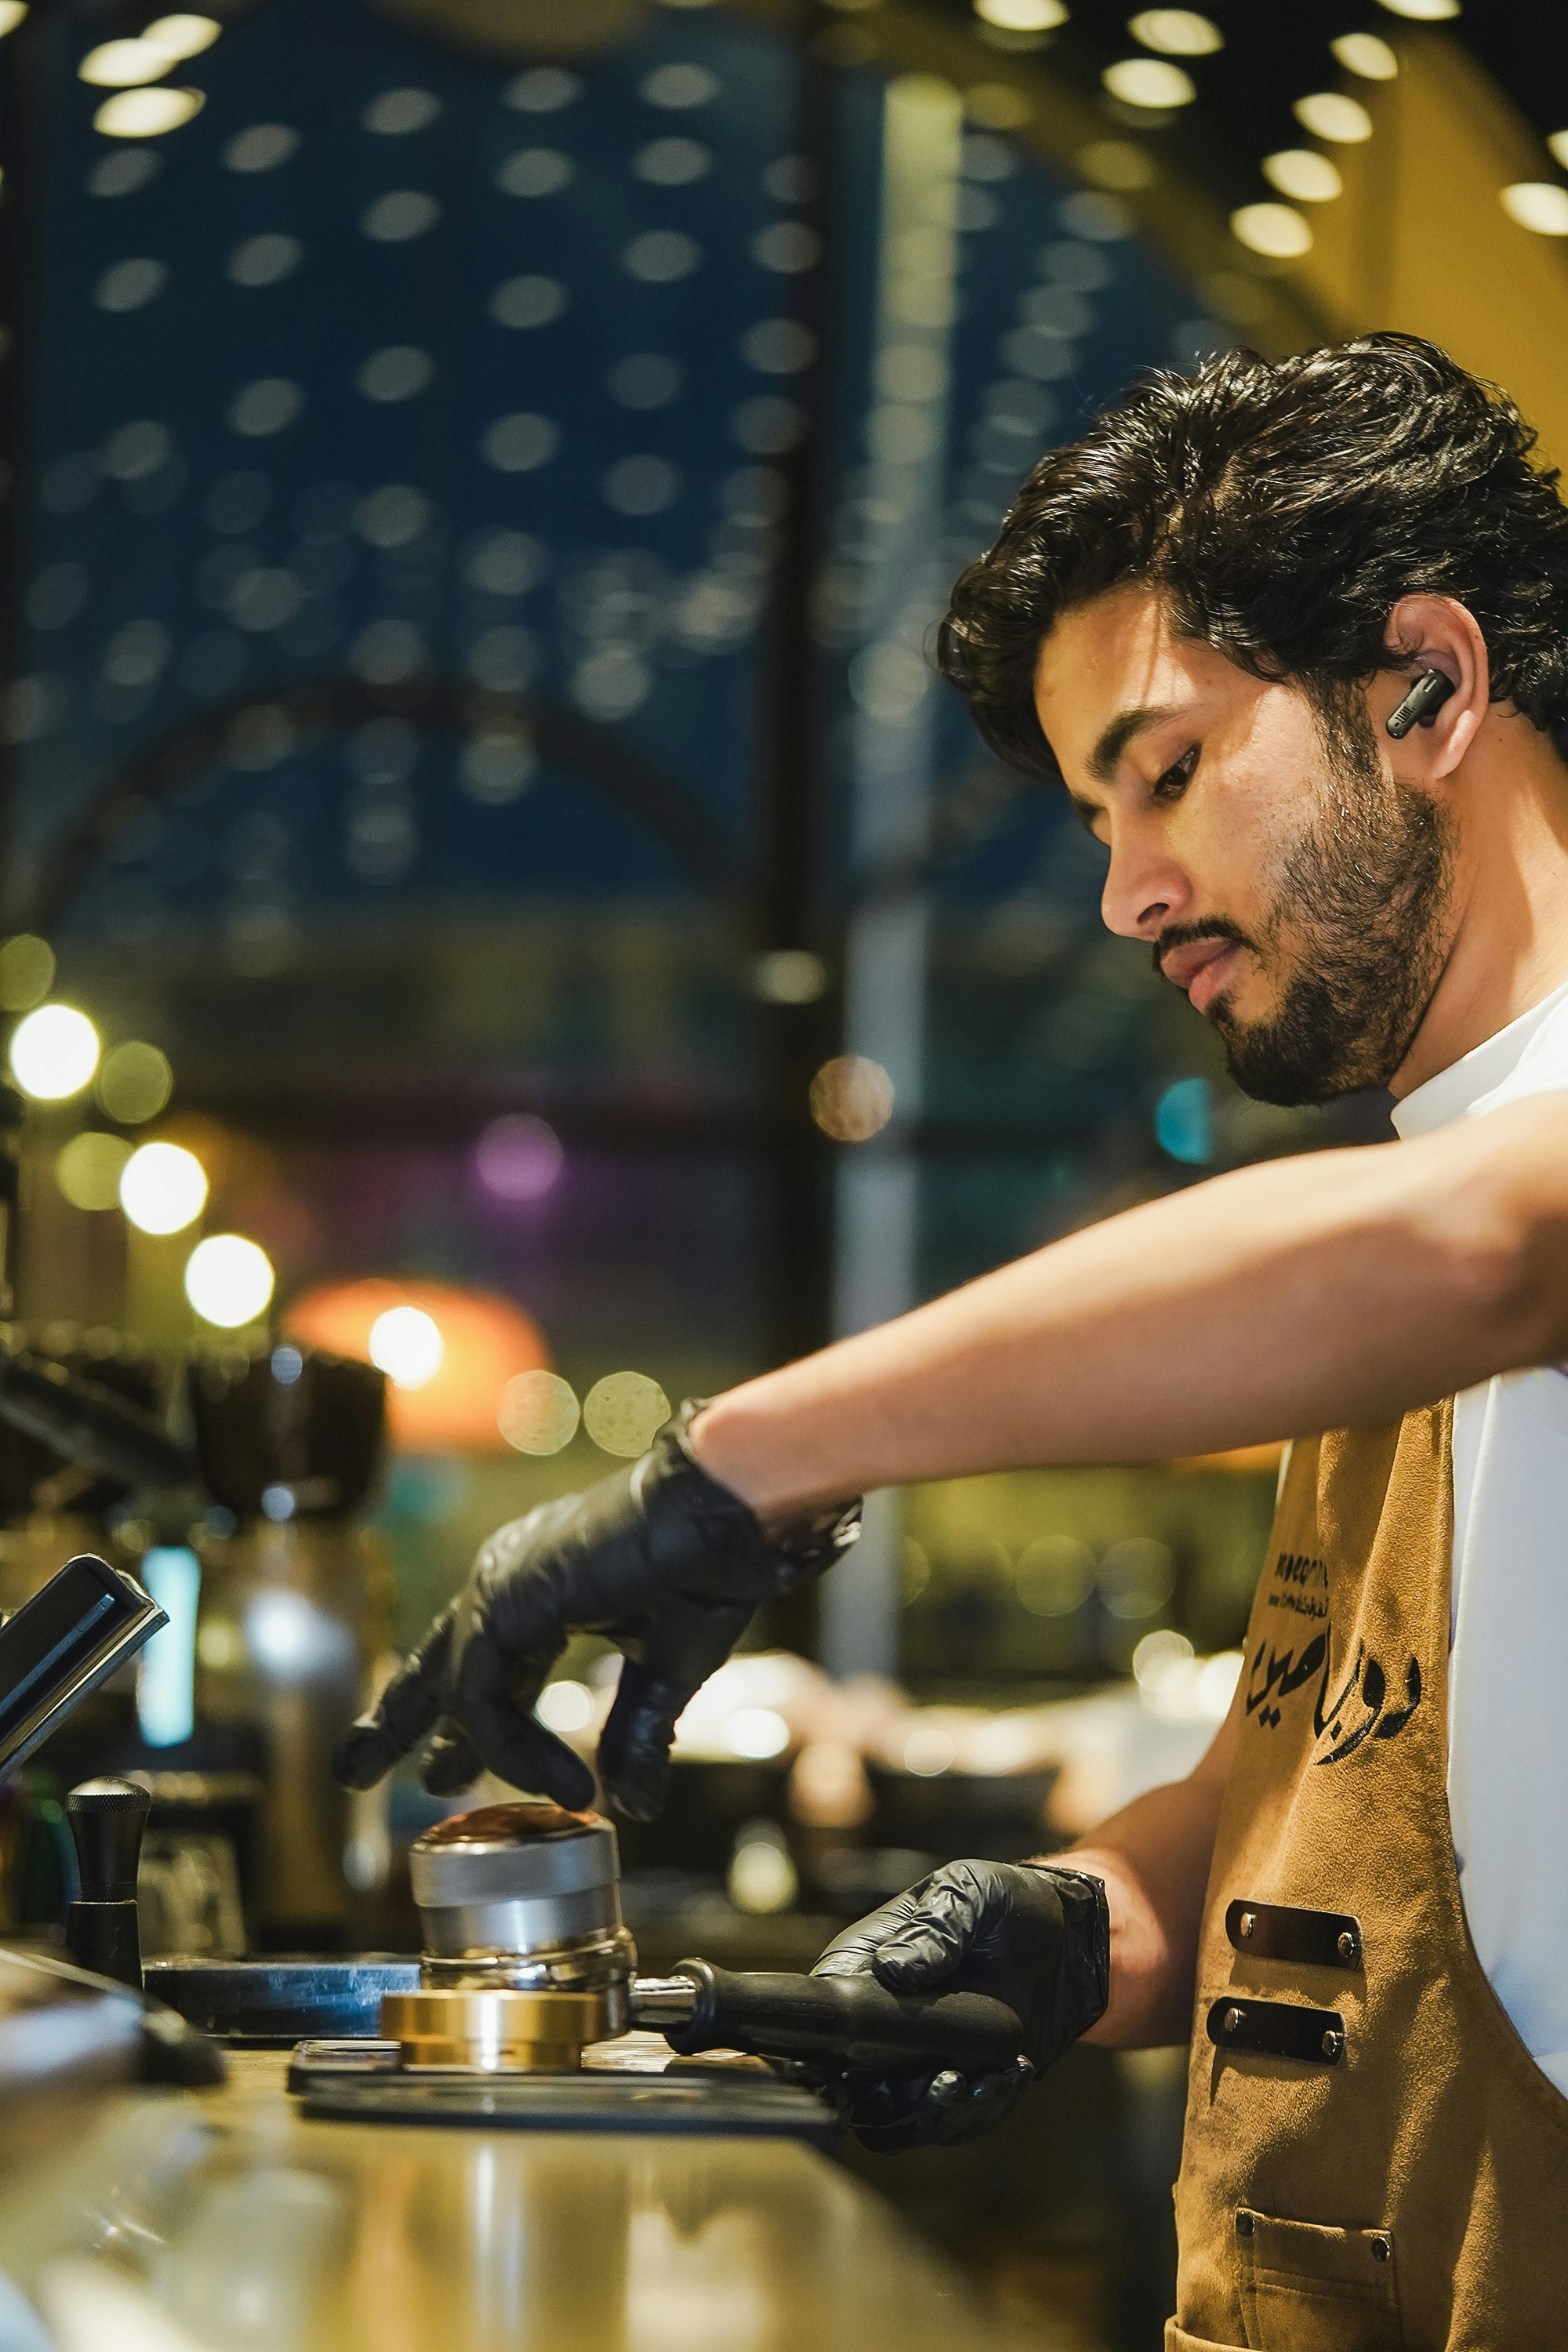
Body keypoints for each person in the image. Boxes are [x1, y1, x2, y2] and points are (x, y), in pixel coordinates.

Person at [337, 335, 1568, 2346]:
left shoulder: (1462, 1231)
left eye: (1163, 773)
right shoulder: (1385, 1259)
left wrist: (749, 1463)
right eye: (1097, 817)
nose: (1124, 893)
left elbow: (1491, 1248)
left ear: (1423, 684)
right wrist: (1070, 1928)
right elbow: (1308, 1810)